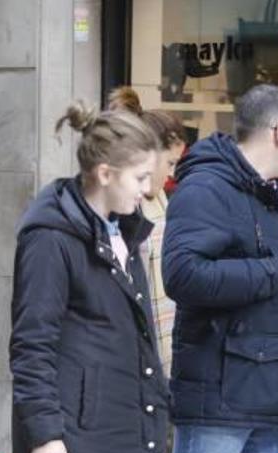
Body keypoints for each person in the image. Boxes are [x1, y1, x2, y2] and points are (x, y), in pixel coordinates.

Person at [162, 84, 278, 453]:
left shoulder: (268, 194)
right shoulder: (206, 188)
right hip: (223, 388)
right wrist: (269, 274)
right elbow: (183, 274)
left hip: (275, 382)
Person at [9, 102, 169, 453]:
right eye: (139, 177)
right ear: (104, 174)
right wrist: (45, 433)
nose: (147, 190)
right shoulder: (50, 239)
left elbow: (139, 340)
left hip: (126, 441)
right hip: (78, 447)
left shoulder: (126, 234)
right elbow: (32, 343)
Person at [108, 86, 187, 376]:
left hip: (164, 362)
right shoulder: (119, 208)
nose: (172, 173)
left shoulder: (161, 201)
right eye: (170, 163)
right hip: (134, 367)